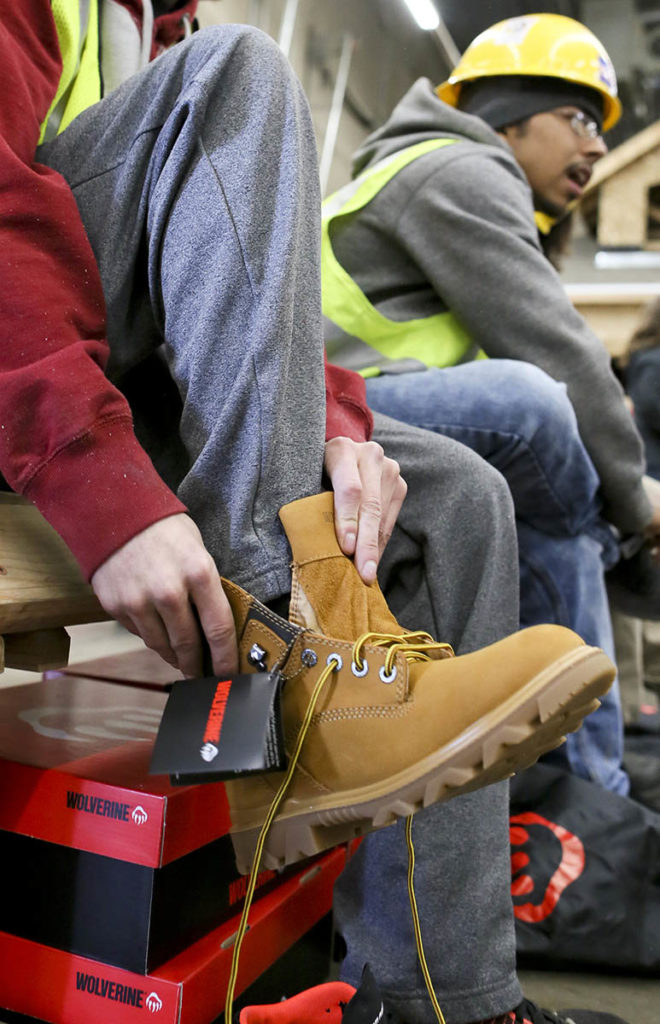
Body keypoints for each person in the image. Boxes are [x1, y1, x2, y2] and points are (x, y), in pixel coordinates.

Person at [0, 5, 625, 1024]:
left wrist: (333, 422)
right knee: (240, 72)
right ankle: (293, 659)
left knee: (460, 496)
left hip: (95, 362)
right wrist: (95, 475)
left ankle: (445, 999)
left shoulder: (157, 24)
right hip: (24, 370)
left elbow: (233, 267)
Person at [322, 12, 660, 797]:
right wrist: (635, 501)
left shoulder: (445, 173)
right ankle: (593, 792)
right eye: (578, 117)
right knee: (533, 403)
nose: (599, 146)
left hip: (378, 408)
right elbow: (562, 353)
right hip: (331, 413)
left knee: (560, 512)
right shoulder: (458, 173)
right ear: (510, 113)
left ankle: (585, 792)